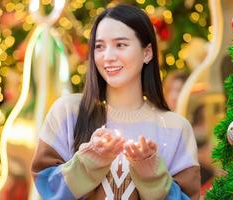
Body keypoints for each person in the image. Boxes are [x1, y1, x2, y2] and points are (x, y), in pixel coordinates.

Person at [31, 4, 200, 200]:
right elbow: (46, 190)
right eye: (100, 46)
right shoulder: (68, 112)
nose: (108, 57)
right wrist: (89, 161)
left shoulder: (176, 128)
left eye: (120, 45)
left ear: (147, 53)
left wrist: (152, 176)